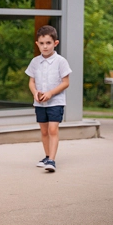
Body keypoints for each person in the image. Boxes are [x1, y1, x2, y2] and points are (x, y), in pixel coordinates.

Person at [25, 25, 72, 172]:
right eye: (42, 43)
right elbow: (31, 81)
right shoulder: (34, 62)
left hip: (56, 102)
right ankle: (46, 156)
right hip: (40, 104)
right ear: (37, 44)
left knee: (53, 130)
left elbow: (66, 82)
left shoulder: (61, 61)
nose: (45, 46)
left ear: (55, 43)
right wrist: (35, 93)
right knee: (44, 131)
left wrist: (50, 93)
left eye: (48, 43)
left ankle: (52, 160)